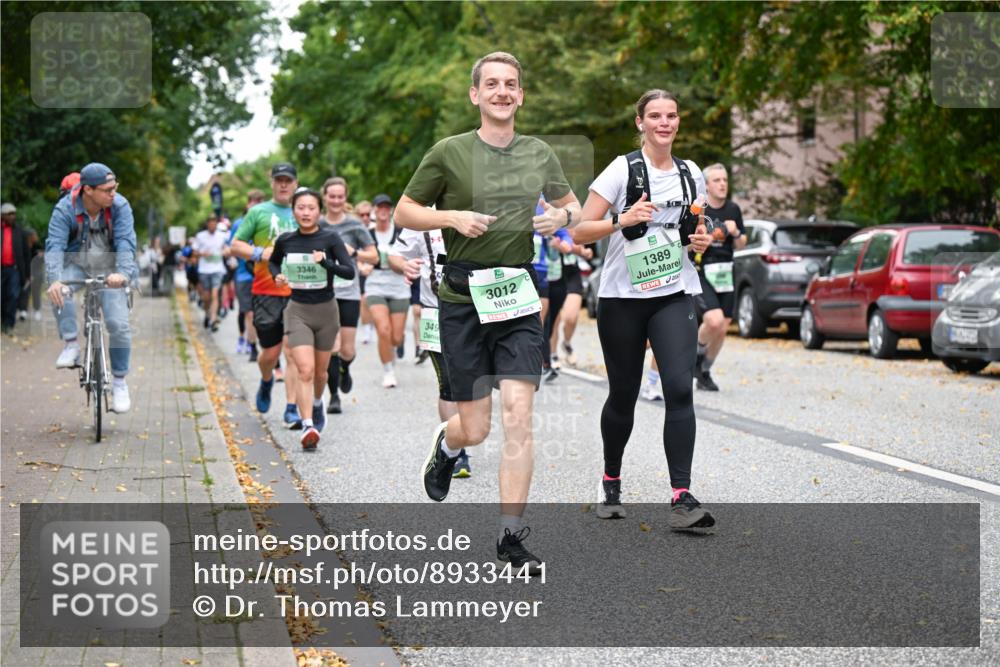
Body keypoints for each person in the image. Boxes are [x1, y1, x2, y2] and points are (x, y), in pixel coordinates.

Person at [395, 51, 581, 572]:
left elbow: (575, 207)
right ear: (475, 95)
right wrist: (450, 215)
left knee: (519, 416)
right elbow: (406, 210)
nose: (503, 92)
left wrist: (559, 216)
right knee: (474, 428)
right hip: (461, 300)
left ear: (521, 95)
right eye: (492, 84)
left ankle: (510, 537)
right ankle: (448, 444)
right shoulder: (448, 152)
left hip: (517, 299)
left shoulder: (539, 153)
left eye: (512, 85)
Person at [572, 89, 715, 531]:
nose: (664, 123)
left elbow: (698, 225)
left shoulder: (692, 174)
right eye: (655, 116)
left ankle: (681, 496)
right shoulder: (622, 169)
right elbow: (580, 231)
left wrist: (702, 240)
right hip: (622, 298)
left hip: (674, 292)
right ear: (640, 122)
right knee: (623, 394)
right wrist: (623, 220)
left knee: (678, 386)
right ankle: (611, 480)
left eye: (671, 115)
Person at [44, 163, 137, 413]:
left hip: (110, 267)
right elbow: (54, 246)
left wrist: (123, 274)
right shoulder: (65, 209)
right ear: (88, 190)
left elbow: (127, 242)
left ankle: (119, 382)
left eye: (114, 188)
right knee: (59, 289)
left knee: (118, 324)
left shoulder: (119, 206)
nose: (113, 194)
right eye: (107, 190)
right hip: (76, 263)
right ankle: (72, 344)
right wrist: (54, 279)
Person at [269, 187, 355, 449]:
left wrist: (325, 263)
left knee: (320, 374)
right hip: (297, 311)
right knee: (304, 369)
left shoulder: (330, 239)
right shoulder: (286, 240)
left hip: (327, 311)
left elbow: (349, 272)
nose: (306, 213)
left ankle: (317, 403)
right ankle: (307, 425)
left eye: (311, 208)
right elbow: (273, 262)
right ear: (293, 210)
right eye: (300, 208)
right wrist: (277, 276)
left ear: (319, 211)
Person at [389, 222, 471, 477]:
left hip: (473, 311)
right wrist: (404, 265)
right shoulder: (422, 217)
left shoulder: (475, 207)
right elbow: (395, 255)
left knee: (469, 381)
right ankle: (455, 451)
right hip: (433, 310)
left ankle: (461, 434)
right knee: (448, 383)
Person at [230, 163, 303, 429]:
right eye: (279, 180)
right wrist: (261, 253)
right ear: (272, 182)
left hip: (298, 292)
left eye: (288, 180)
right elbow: (235, 246)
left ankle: (292, 409)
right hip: (265, 291)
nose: (284, 185)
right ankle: (266, 379)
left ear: (295, 183)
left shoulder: (303, 211)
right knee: (269, 354)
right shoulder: (258, 212)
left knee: (293, 352)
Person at [319, 178, 377, 414]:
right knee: (332, 346)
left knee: (347, 350)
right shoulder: (317, 224)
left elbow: (374, 257)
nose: (335, 200)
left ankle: (345, 367)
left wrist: (354, 252)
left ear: (345, 198)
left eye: (339, 196)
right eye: (331, 196)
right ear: (324, 197)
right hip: (324, 293)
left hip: (349, 292)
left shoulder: (354, 226)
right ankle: (333, 396)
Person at [692, 163, 746, 391]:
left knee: (722, 328)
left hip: (726, 271)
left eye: (725, 180)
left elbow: (742, 243)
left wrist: (734, 232)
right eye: (717, 180)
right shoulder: (699, 210)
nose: (723, 184)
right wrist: (712, 236)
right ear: (706, 185)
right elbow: (690, 241)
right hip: (702, 270)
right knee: (712, 321)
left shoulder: (733, 209)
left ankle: (704, 371)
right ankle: (691, 360)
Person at [365, 194, 410, 388]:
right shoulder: (367, 233)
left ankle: (399, 341)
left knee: (396, 337)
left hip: (399, 287)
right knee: (383, 330)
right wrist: (362, 267)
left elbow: (411, 253)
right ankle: (388, 371)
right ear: (374, 210)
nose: (383, 211)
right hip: (375, 286)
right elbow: (358, 257)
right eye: (379, 207)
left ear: (391, 210)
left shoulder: (400, 232)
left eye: (387, 207)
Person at [229, 190, 266, 360]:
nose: (256, 204)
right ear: (248, 203)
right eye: (253, 201)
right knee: (249, 313)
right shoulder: (239, 224)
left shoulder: (267, 222)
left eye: (260, 201)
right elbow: (231, 247)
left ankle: (264, 346)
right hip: (244, 275)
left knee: (264, 316)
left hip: (265, 276)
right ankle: (252, 346)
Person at [553, 241, 593, 367]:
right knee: (554, 318)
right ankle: (553, 354)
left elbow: (576, 236)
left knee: (571, 317)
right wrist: (579, 250)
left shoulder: (569, 221)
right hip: (551, 270)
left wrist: (583, 250)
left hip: (571, 271)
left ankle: (566, 343)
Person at [1, 203, 32, 334]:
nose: (12, 216)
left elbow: (26, 254)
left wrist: (27, 274)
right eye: (9, 214)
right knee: (2, 296)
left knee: (13, 295)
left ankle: (9, 323)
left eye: (14, 213)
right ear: (3, 216)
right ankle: (3, 320)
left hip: (14, 270)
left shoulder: (20, 232)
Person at [194, 216, 227, 331]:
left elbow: (226, 249)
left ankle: (213, 319)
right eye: (211, 223)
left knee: (215, 294)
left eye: (214, 224)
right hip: (204, 269)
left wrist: (225, 252)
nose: (212, 226)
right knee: (207, 297)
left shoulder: (222, 236)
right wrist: (203, 254)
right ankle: (207, 314)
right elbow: (195, 252)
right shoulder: (200, 236)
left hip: (217, 269)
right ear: (207, 224)